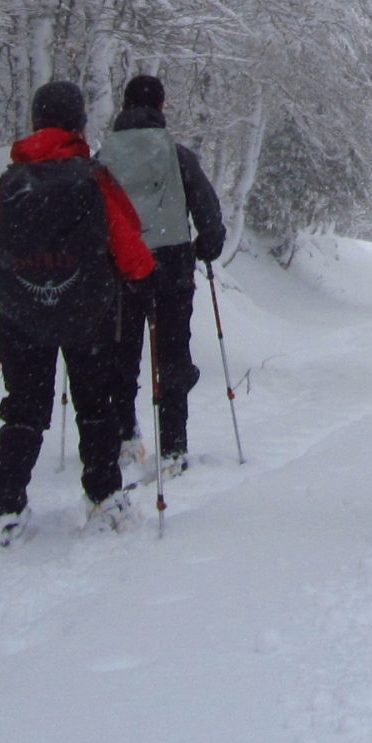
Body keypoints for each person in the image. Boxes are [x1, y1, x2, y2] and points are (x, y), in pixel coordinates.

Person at [0, 79, 155, 547]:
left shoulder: (10, 182)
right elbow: (132, 251)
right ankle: (105, 501)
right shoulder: (93, 178)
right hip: (88, 314)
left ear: (35, 121)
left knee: (23, 410)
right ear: (79, 123)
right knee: (96, 408)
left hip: (22, 317)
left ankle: (2, 507)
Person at [97, 73, 226, 478]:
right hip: (171, 265)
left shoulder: (104, 157)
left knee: (122, 354)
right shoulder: (177, 155)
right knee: (171, 355)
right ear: (161, 107)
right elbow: (207, 209)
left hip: (120, 266)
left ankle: (124, 436)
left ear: (124, 106)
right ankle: (173, 446)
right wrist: (207, 245)